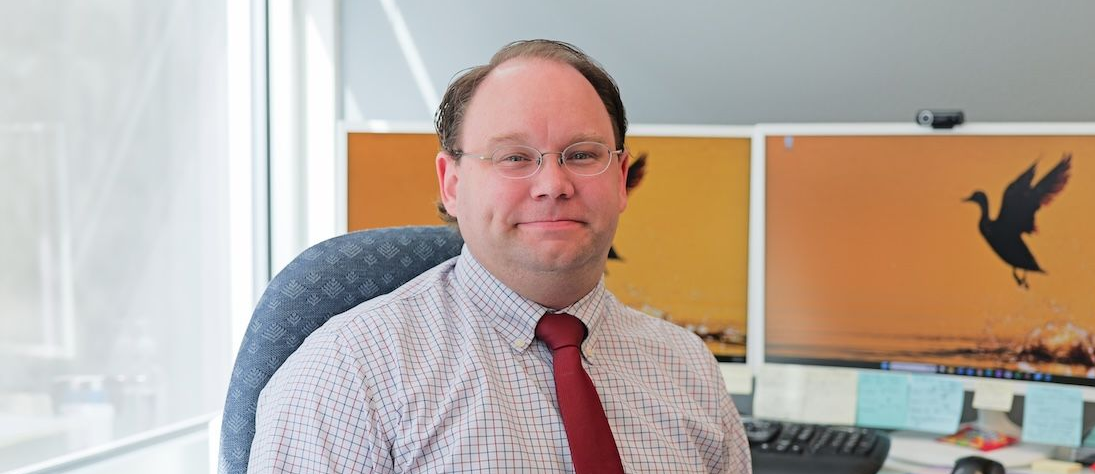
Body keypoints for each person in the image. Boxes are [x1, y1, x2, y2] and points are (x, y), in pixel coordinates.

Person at [248, 39, 751, 473]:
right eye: (513, 157)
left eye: (581, 155)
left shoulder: (687, 368)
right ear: (452, 183)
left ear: (621, 180)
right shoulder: (349, 374)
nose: (553, 185)